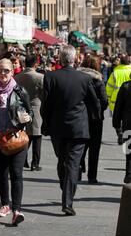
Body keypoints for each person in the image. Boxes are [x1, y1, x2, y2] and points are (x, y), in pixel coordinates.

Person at [41, 45, 101, 216]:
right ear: (75, 59)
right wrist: (95, 118)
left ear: (60, 59)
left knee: (63, 161)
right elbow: (94, 102)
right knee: (71, 164)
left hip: (57, 128)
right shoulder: (84, 78)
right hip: (78, 128)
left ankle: (66, 193)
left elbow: (46, 104)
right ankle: (68, 197)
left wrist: (46, 122)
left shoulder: (50, 77)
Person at [0, 58, 33, 226]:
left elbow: (29, 111)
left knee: (16, 173)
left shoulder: (19, 91)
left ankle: (17, 209)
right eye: (0, 71)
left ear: (12, 72)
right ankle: (5, 205)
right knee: (2, 173)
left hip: (17, 139)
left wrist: (27, 118)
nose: (3, 74)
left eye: (6, 70)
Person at [78, 55, 108, 183]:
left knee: (80, 146)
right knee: (94, 147)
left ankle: (78, 169)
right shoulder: (98, 81)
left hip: (80, 117)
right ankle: (92, 176)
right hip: (95, 119)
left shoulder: (77, 79)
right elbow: (104, 101)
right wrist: (99, 110)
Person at [15, 54, 44, 171]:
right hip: (36, 107)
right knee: (36, 136)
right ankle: (35, 163)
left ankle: (23, 160)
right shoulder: (40, 77)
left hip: (21, 108)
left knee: (24, 135)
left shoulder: (18, 77)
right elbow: (44, 93)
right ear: (35, 64)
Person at [112, 73, 131, 184]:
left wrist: (116, 125)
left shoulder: (125, 86)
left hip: (128, 125)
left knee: (129, 151)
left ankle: (128, 174)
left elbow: (118, 107)